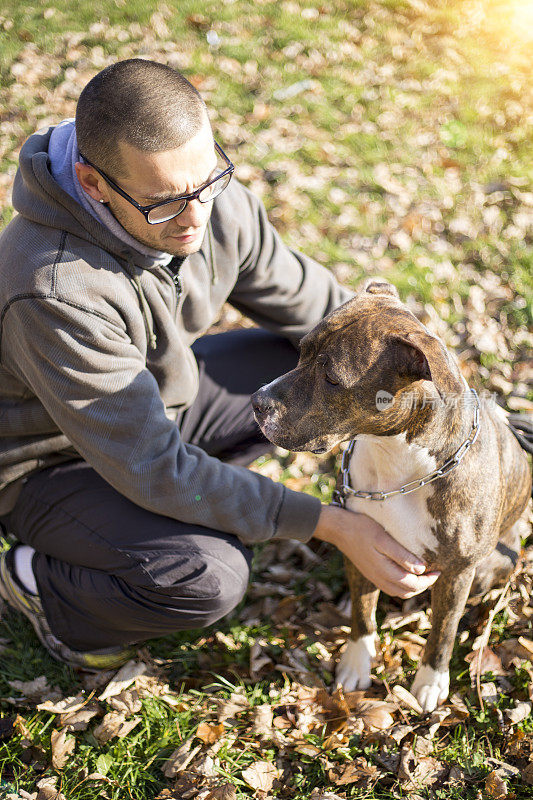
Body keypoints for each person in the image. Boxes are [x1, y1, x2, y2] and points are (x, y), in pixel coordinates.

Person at [0, 59, 438, 670]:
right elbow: (153, 468)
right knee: (207, 575)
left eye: (207, 182)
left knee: (318, 359)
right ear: (92, 183)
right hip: (50, 461)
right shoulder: (53, 288)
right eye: (164, 203)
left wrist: (431, 373)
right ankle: (41, 586)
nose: (196, 217)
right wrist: (331, 524)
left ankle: (203, 497)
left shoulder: (205, 198)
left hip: (154, 403)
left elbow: (320, 307)